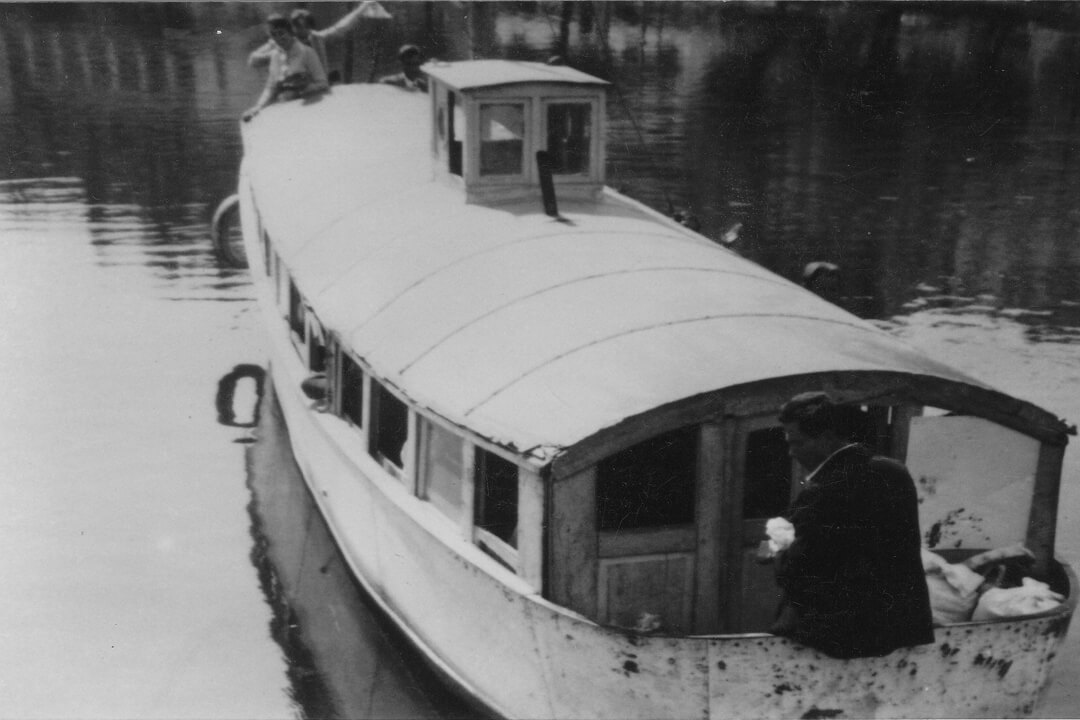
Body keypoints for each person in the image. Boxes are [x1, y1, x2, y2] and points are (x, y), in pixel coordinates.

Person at [770, 392, 934, 659]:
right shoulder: (895, 472)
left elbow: (798, 573)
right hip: (899, 632)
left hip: (837, 640)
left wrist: (776, 551)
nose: (791, 453)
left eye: (796, 442)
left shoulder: (822, 492)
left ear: (825, 438)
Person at [248, 2, 391, 83]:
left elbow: (341, 28)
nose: (299, 30)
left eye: (302, 26)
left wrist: (361, 10)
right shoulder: (281, 41)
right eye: (296, 26)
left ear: (309, 28)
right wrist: (275, 51)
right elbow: (253, 60)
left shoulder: (316, 38)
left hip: (317, 86)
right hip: (291, 88)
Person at [243, 15, 328, 122]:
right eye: (274, 34)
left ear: (291, 33)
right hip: (285, 109)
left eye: (281, 33)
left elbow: (323, 83)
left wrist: (304, 89)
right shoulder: (275, 55)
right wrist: (258, 107)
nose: (278, 38)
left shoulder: (307, 52)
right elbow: (270, 87)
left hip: (309, 108)